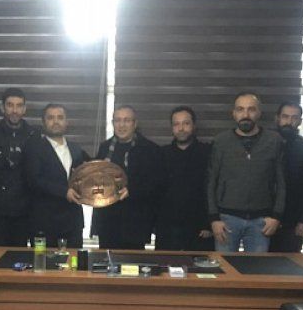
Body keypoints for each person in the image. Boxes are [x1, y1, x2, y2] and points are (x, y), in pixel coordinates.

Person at [207, 92, 285, 252]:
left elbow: (282, 182)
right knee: (224, 265)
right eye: (240, 109)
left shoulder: (274, 141)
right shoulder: (221, 141)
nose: (245, 114)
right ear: (234, 113)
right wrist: (214, 218)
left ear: (259, 113)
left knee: (257, 267)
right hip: (226, 220)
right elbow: (210, 181)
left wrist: (277, 216)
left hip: (262, 221)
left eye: (251, 109)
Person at [94, 105, 162, 249]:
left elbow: (156, 183)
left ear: (135, 124)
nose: (122, 125)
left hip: (136, 222)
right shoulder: (104, 148)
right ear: (112, 123)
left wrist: (132, 190)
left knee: (133, 262)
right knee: (106, 261)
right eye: (117, 120)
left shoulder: (150, 149)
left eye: (126, 120)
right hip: (107, 221)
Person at [24, 104, 89, 248]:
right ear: (43, 122)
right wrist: (64, 192)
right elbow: (34, 180)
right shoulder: (33, 149)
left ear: (67, 122)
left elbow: (88, 173)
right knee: (44, 262)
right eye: (51, 118)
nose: (56, 121)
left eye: (60, 117)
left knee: (74, 261)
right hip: (44, 224)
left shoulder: (76, 149)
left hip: (73, 223)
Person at [0, 88, 37, 246]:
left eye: (19, 106)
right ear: (2, 108)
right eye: (10, 105)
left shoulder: (35, 136)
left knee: (19, 255)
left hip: (24, 211)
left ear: (25, 109)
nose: (14, 110)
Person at [155, 106, 213, 251]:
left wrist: (209, 223)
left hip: (200, 228)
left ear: (194, 126)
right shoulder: (161, 154)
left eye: (186, 123)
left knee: (200, 265)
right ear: (172, 128)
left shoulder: (207, 153)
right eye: (176, 124)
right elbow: (155, 192)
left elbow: (213, 189)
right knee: (165, 265)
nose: (181, 128)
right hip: (167, 228)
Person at [268, 102, 303, 253]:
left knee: (289, 264)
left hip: (293, 221)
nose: (289, 122)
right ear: (277, 118)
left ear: (300, 121)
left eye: (294, 118)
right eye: (285, 117)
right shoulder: (265, 145)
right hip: (264, 219)